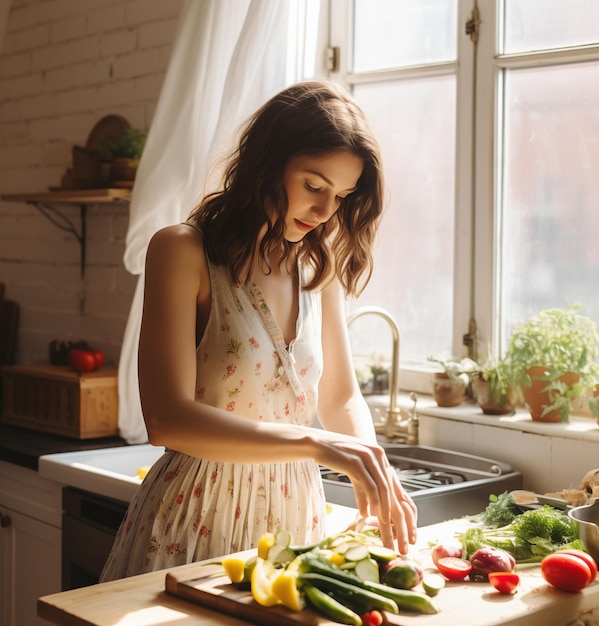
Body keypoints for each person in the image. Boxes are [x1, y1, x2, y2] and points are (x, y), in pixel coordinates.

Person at [100, 81, 417, 581]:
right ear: (267, 162)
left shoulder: (319, 267)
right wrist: (316, 444)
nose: (324, 212)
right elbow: (166, 419)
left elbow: (340, 397)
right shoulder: (183, 251)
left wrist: (375, 469)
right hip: (196, 517)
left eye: (341, 196)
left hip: (295, 520)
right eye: (314, 186)